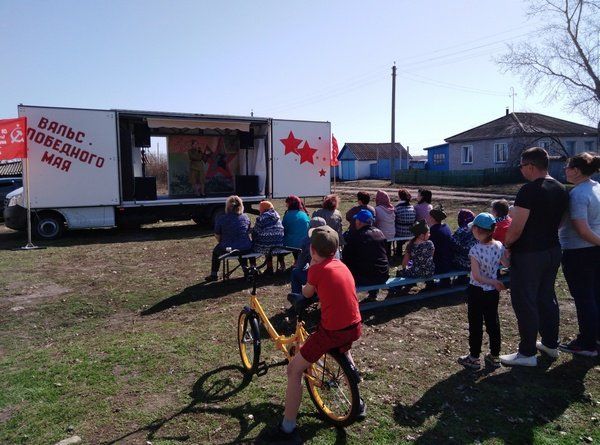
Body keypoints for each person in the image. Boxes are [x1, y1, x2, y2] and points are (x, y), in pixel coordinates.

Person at [262, 226, 363, 443]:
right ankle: (358, 400)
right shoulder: (342, 266)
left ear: (312, 250)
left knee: (294, 369)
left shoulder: (316, 270)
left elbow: (307, 292)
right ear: (335, 249)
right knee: (343, 350)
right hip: (354, 326)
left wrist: (307, 284)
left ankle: (288, 427)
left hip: (332, 331)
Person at [500, 147, 569, 367]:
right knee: (547, 297)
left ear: (530, 166)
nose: (520, 170)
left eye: (521, 166)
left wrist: (506, 245)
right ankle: (550, 343)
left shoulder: (528, 190)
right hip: (552, 249)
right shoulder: (561, 188)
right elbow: (561, 221)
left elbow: (516, 227)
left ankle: (527, 353)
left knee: (525, 301)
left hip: (529, 254)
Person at [558, 152, 600, 357]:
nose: (564, 170)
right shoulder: (596, 187)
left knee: (584, 298)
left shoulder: (578, 195)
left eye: (567, 167)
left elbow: (582, 229)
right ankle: (596, 338)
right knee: (595, 295)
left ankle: (587, 343)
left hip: (580, 252)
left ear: (576, 171)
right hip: (595, 250)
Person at [457, 213, 509, 370]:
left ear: (477, 230)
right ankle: (495, 355)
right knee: (493, 322)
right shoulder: (499, 245)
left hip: (476, 291)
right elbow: (506, 263)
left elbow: (477, 277)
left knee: (476, 324)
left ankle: (474, 358)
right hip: (492, 293)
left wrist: (493, 281)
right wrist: (495, 282)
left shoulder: (475, 250)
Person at [342, 209, 389, 302]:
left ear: (359, 222)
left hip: (365, 278)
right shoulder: (380, 233)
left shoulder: (355, 236)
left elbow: (346, 257)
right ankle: (373, 293)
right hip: (383, 274)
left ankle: (346, 299)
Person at [205, 195, 252, 282]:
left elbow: (217, 235)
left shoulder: (221, 218)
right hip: (246, 247)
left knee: (216, 252)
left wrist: (223, 242)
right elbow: (248, 231)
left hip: (229, 248)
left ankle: (214, 275)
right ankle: (247, 271)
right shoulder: (245, 217)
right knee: (241, 248)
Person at [290, 216, 327, 294]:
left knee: (295, 272)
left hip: (318, 278)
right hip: (330, 275)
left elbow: (300, 264)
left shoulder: (307, 241)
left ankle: (297, 297)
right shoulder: (332, 239)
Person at [252, 201, 285, 275]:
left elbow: (255, 232)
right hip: (279, 245)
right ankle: (282, 266)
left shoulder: (261, 219)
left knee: (266, 243)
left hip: (266, 246)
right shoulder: (277, 217)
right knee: (272, 241)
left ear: (263, 209)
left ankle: (269, 268)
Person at [429, 205, 453, 286]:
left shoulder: (433, 231)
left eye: (430, 216)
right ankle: (446, 280)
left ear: (433, 218)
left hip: (439, 265)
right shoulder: (446, 227)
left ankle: (429, 284)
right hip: (448, 262)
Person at [282, 195, 310, 260]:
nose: (286, 205)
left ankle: (285, 264)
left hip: (291, 244)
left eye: (287, 203)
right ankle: (297, 261)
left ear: (290, 204)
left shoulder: (288, 215)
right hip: (305, 243)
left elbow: (283, 230)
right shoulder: (304, 214)